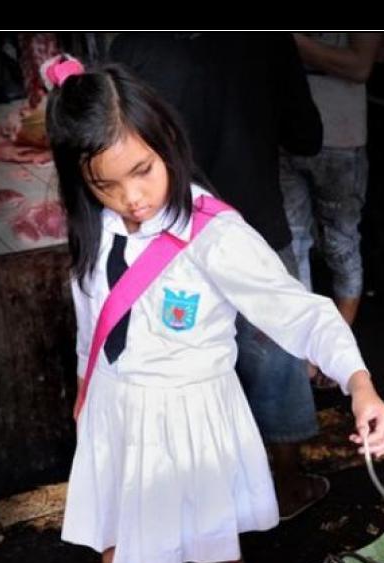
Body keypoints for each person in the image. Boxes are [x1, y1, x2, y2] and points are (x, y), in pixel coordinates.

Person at [44, 58, 384, 563]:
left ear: (168, 143)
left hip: (195, 414)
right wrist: (88, 403)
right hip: (121, 414)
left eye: (142, 172)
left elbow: (304, 313)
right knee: (117, 555)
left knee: (217, 552)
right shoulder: (94, 223)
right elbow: (92, 323)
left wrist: (360, 383)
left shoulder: (217, 236)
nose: (131, 198)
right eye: (105, 184)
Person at [109, 32, 328, 520]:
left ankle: (198, 501)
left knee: (182, 366)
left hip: (168, 241)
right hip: (254, 226)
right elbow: (305, 135)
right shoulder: (265, 39)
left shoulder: (132, 46)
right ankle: (286, 485)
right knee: (276, 363)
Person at [280, 33, 382, 354]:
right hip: (289, 133)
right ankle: (307, 346)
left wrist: (291, 42)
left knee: (339, 242)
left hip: (340, 135)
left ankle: (337, 345)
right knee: (294, 241)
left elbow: (360, 67)